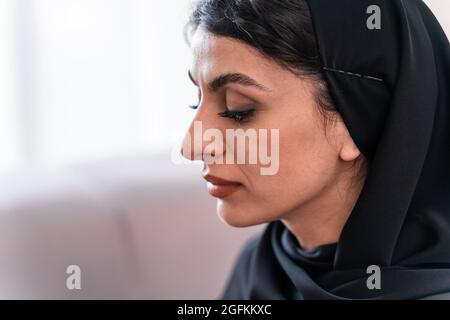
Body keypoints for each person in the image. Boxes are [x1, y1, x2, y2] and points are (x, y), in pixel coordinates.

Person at [181, 0, 450, 299]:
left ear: (355, 119)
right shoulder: (262, 266)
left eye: (238, 109)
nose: (191, 147)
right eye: (196, 100)